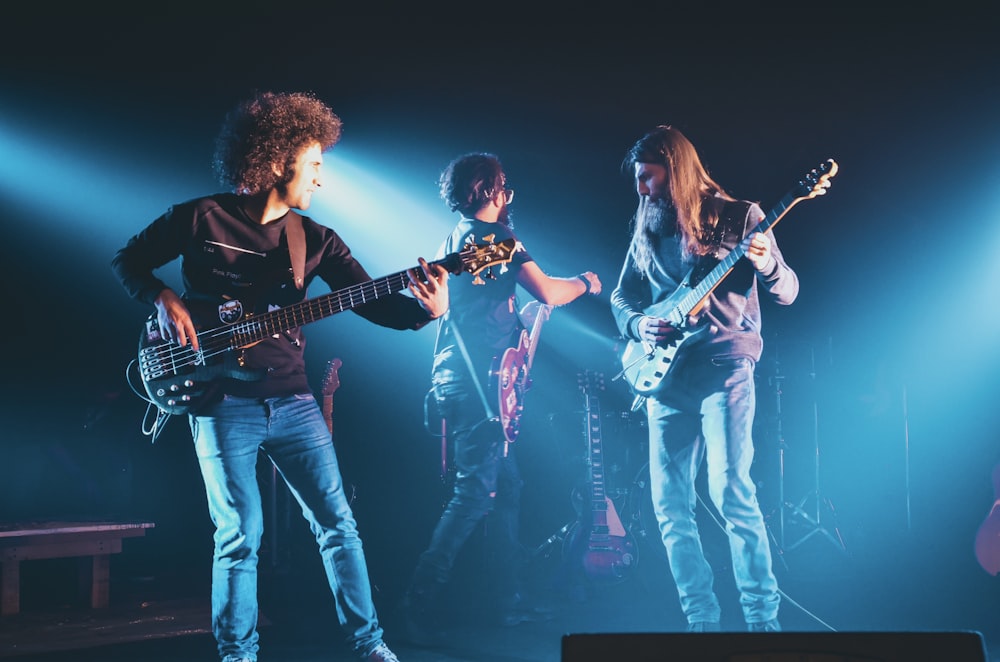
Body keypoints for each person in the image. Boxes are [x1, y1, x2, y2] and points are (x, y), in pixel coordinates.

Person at [111, 90, 450, 662]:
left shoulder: (314, 240)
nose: (319, 179)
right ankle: (239, 655)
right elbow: (128, 261)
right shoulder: (198, 217)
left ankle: (370, 645)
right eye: (313, 165)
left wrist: (427, 312)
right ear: (275, 161)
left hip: (293, 401)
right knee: (239, 537)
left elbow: (373, 303)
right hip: (219, 401)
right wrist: (164, 295)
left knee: (339, 525)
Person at [396, 152, 602, 643]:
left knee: (505, 489)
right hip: (478, 385)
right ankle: (413, 607)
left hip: (462, 378)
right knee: (473, 495)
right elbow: (549, 292)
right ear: (491, 190)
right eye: (503, 185)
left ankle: (506, 603)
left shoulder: (455, 239)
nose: (508, 194)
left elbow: (494, 308)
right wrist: (586, 284)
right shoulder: (497, 238)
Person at [610, 125, 798, 632]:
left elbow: (789, 291)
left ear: (677, 169)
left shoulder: (741, 217)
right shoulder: (646, 226)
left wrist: (767, 264)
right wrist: (639, 323)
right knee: (670, 506)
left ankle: (763, 626)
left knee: (730, 489)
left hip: (724, 368)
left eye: (648, 178)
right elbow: (621, 297)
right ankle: (702, 624)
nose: (641, 190)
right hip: (665, 379)